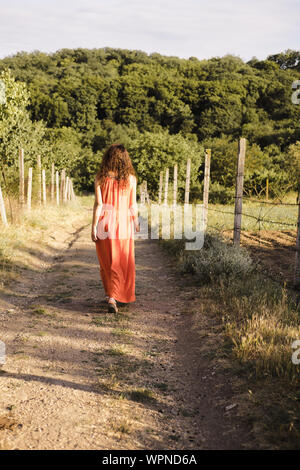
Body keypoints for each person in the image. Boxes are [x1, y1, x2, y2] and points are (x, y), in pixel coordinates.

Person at [91, 144, 140, 313]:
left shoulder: (100, 178)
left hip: (104, 224)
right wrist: (136, 222)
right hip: (124, 225)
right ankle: (116, 295)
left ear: (108, 158)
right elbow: (133, 205)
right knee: (122, 261)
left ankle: (110, 294)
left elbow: (99, 204)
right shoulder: (131, 180)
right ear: (125, 160)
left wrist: (94, 226)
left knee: (107, 261)